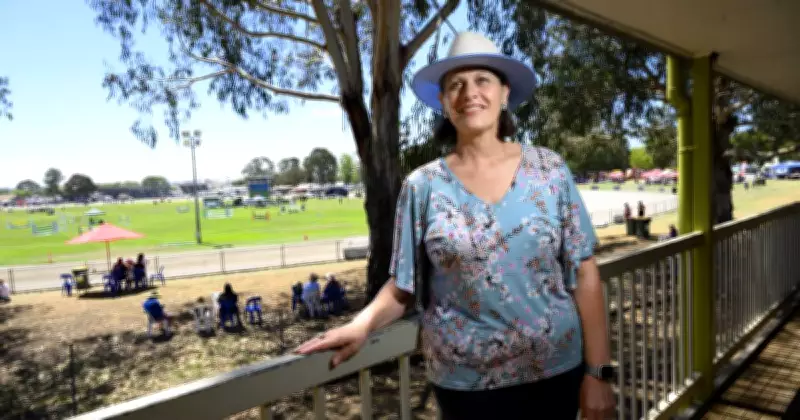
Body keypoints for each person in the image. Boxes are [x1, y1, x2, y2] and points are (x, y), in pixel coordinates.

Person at [296, 32, 616, 420]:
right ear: (445, 102)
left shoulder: (549, 170)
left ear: (504, 93)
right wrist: (361, 325)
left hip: (555, 373)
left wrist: (598, 372)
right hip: (465, 385)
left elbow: (584, 271)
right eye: (456, 85)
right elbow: (402, 287)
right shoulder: (422, 186)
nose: (469, 93)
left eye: (482, 80)